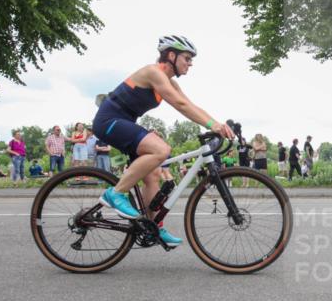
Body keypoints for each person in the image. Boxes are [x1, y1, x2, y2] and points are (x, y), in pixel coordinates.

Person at [91, 35, 233, 245]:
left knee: (154, 174)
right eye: (187, 58)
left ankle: (153, 228)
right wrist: (213, 126)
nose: (190, 63)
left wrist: (217, 124)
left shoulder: (171, 84)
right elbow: (180, 105)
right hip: (108, 120)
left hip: (125, 121)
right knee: (161, 150)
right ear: (171, 55)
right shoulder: (153, 72)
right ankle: (116, 193)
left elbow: (190, 105)